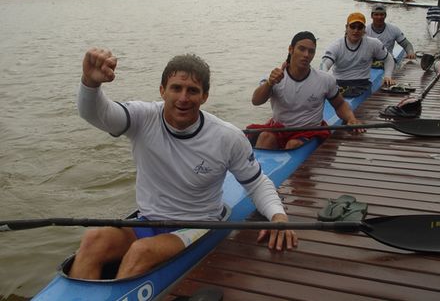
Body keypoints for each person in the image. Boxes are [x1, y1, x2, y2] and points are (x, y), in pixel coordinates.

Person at [70, 48, 298, 280]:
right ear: (162, 90)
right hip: (148, 220)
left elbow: (256, 183)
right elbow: (97, 114)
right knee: (93, 240)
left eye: (193, 91)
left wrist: (278, 217)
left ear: (205, 96)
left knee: (141, 251)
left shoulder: (227, 137)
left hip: (197, 225)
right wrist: (90, 83)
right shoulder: (142, 117)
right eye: (176, 88)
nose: (183, 98)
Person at [251, 31, 363, 150]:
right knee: (264, 137)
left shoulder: (325, 79)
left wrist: (351, 119)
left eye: (311, 51)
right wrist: (270, 83)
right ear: (291, 49)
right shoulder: (273, 77)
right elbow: (256, 101)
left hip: (310, 130)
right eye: (302, 49)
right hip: (280, 128)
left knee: (293, 144)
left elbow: (339, 104)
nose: (306, 55)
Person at [320, 12, 396, 88]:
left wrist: (387, 76)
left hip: (362, 83)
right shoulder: (336, 46)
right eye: (353, 27)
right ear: (346, 27)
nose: (356, 30)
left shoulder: (373, 43)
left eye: (360, 27)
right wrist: (325, 81)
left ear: (364, 29)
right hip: (339, 83)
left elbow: (388, 58)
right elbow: (324, 65)